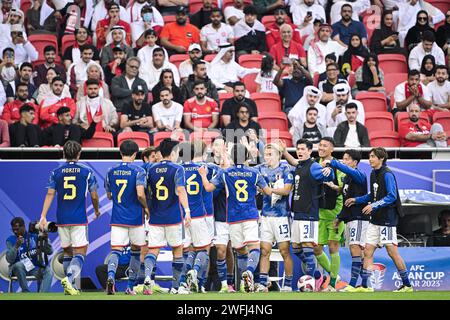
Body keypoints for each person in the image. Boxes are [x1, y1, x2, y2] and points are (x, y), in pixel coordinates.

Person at [199, 143, 273, 292]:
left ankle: (244, 283)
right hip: (250, 215)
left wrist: (202, 175)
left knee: (239, 251)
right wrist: (257, 189)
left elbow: (208, 188)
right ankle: (249, 272)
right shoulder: (254, 173)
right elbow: (268, 192)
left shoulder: (224, 173)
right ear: (247, 157)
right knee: (254, 248)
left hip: (232, 217)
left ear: (232, 157)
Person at [346, 147, 414, 292]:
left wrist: (374, 206)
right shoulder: (373, 173)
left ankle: (407, 285)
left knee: (392, 252)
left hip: (387, 219)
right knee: (368, 251)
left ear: (381, 158)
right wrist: (357, 200)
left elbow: (391, 196)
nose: (370, 159)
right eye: (369, 156)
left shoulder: (387, 174)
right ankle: (365, 286)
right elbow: (373, 195)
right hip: (375, 220)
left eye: (373, 156)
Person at [39, 140, 100, 295]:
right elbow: (94, 194)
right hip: (79, 218)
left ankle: (69, 289)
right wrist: (97, 210)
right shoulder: (87, 172)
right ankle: (70, 279)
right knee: (80, 253)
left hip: (62, 219)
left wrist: (43, 216)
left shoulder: (56, 172)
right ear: (79, 154)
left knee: (67, 252)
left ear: (64, 153)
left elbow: (50, 193)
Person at [281, 138, 334, 291]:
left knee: (306, 247)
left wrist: (329, 171)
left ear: (310, 151)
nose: (300, 152)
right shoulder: (300, 165)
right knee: (296, 248)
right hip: (297, 213)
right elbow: (294, 162)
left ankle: (311, 285)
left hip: (309, 214)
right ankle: (318, 275)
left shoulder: (313, 166)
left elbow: (328, 176)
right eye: (298, 149)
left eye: (303, 149)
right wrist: (285, 152)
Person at [145, 138, 191, 294]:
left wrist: (147, 209)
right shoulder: (178, 169)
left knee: (153, 250)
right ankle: (176, 287)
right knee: (177, 250)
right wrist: (187, 211)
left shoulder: (151, 169)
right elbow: (180, 190)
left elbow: (147, 192)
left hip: (156, 216)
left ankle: (148, 280)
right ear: (172, 153)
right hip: (173, 216)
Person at [104, 140, 149, 295]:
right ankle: (130, 286)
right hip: (135, 218)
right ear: (135, 154)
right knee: (136, 251)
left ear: (121, 152)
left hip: (117, 217)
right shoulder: (139, 171)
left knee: (116, 251)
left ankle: (110, 277)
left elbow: (109, 195)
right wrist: (146, 207)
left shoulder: (111, 170)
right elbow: (140, 194)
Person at [324, 149, 368, 292]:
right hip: (349, 219)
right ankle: (366, 285)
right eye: (343, 159)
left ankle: (353, 284)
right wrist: (339, 217)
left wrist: (333, 162)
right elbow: (345, 201)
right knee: (355, 250)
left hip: (359, 218)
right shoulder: (347, 179)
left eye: (347, 159)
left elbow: (344, 169)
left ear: (355, 162)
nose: (344, 161)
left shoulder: (359, 175)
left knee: (356, 248)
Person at [255, 143, 294, 292]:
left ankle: (289, 284)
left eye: (271, 154)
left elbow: (286, 190)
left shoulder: (285, 169)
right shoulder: (260, 169)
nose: (267, 157)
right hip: (265, 216)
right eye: (266, 154)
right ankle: (264, 283)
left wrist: (267, 190)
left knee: (284, 251)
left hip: (281, 216)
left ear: (279, 155)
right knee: (264, 250)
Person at [177, 141, 212, 293]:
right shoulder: (202, 169)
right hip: (198, 214)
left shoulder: (177, 170)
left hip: (182, 215)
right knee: (203, 249)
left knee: (188, 250)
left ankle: (183, 282)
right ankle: (196, 271)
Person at [311, 137, 346, 291]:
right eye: (320, 146)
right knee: (317, 248)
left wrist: (332, 185)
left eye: (325, 146)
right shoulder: (314, 164)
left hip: (335, 214)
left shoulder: (338, 166)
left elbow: (342, 189)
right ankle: (334, 275)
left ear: (332, 149)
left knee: (333, 247)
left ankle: (332, 284)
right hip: (319, 213)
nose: (321, 148)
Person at [6, 217, 53, 293]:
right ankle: (26, 293)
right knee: (18, 265)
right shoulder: (10, 240)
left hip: (33, 268)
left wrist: (46, 239)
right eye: (13, 229)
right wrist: (16, 246)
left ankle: (42, 296)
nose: (15, 232)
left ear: (23, 226)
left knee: (48, 271)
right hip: (18, 269)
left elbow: (50, 251)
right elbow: (9, 259)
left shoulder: (34, 236)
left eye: (17, 229)